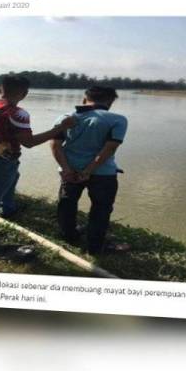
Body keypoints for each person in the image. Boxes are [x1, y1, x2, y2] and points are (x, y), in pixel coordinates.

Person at [0, 75, 76, 247]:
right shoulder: (18, 113)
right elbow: (29, 143)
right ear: (25, 93)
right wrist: (60, 128)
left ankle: (8, 208)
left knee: (13, 175)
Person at [50, 86, 127, 255]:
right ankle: (95, 247)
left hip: (69, 172)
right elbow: (109, 149)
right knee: (101, 208)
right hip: (103, 174)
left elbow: (55, 146)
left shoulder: (65, 117)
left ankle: (68, 235)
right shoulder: (118, 120)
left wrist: (66, 169)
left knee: (67, 204)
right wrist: (88, 171)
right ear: (110, 101)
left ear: (85, 99)